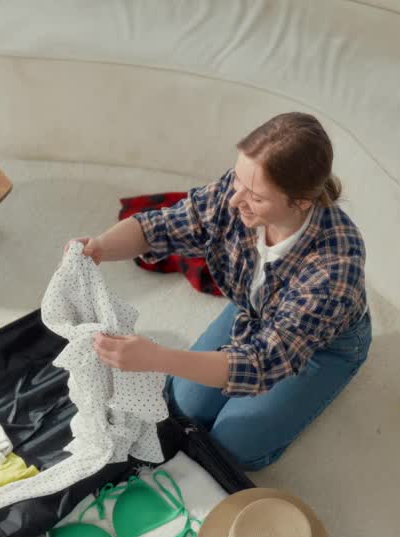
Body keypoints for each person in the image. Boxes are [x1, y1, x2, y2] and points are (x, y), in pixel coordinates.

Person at [77, 112, 370, 470]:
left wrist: (156, 357)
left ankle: (333, 378)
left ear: (301, 201)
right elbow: (161, 226)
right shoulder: (238, 191)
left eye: (256, 197)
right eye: (238, 180)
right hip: (255, 308)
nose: (234, 201)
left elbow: (260, 364)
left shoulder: (334, 268)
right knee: (182, 408)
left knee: (230, 449)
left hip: (319, 349)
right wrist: (100, 247)